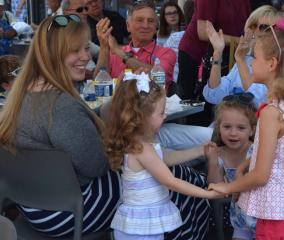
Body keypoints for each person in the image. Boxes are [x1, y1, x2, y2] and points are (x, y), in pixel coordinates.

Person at [0, 14, 121, 237]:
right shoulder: (60, 106)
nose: (86, 56)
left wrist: (97, 114)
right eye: (76, 50)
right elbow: (98, 166)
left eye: (86, 48)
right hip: (67, 211)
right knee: (163, 180)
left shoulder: (21, 94)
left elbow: (62, 129)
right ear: (52, 54)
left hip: (30, 204)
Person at [209, 16, 284, 239]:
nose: (251, 62)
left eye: (255, 57)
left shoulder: (271, 113)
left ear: (271, 64)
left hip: (277, 216)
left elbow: (261, 176)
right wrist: (245, 164)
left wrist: (228, 187)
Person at [105, 73, 221, 239]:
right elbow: (170, 181)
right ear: (142, 117)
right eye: (161, 113)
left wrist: (198, 151)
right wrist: (208, 194)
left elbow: (165, 158)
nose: (165, 116)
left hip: (142, 223)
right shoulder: (141, 148)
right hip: (141, 227)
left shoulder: (140, 143)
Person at [203, 5, 281, 107]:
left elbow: (257, 101)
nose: (253, 31)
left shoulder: (278, 63)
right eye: (252, 25)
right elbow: (214, 95)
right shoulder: (247, 59)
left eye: (263, 27)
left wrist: (240, 60)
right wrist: (217, 53)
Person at [207, 93, 257, 240]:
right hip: (240, 220)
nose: (233, 133)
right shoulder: (220, 153)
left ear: (252, 130)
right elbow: (215, 184)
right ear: (219, 128)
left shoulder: (256, 151)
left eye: (241, 128)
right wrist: (213, 161)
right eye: (227, 126)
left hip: (262, 217)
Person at [177, 0, 250, 100]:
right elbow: (203, 32)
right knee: (189, 102)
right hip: (194, 53)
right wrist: (240, 41)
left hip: (225, 53)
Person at [95, 0, 176, 91]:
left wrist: (119, 52)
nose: (145, 25)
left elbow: (159, 79)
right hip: (118, 105)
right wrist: (104, 47)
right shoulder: (113, 53)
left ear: (155, 28)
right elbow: (98, 85)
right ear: (128, 26)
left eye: (150, 21)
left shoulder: (167, 53)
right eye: (140, 20)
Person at [164, 0, 194, 91]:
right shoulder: (174, 39)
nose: (172, 16)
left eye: (175, 13)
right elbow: (161, 68)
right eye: (169, 13)